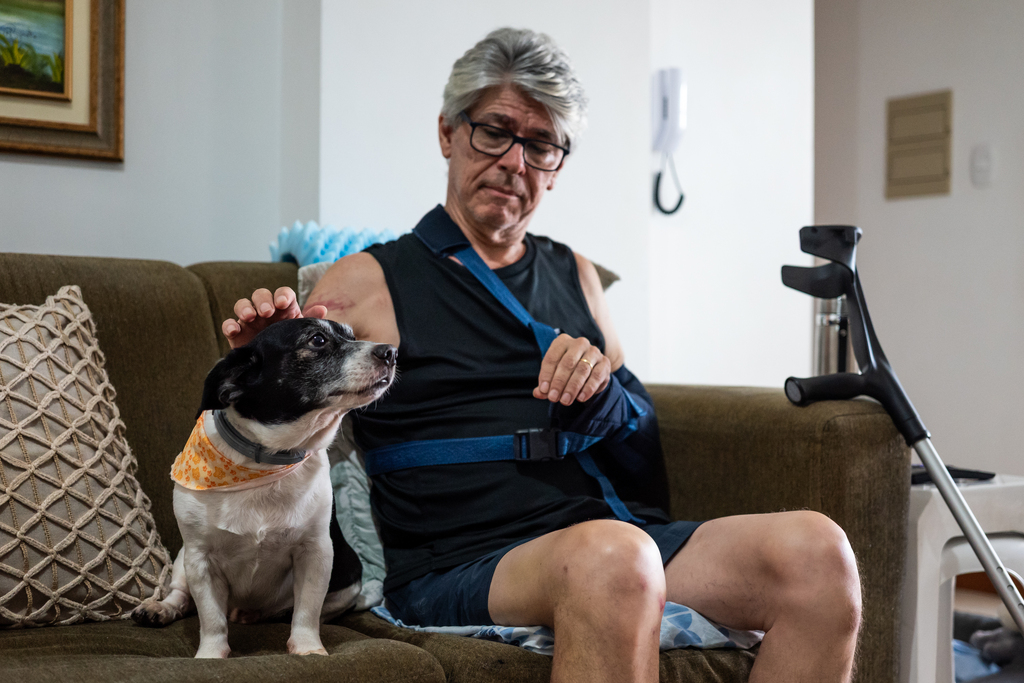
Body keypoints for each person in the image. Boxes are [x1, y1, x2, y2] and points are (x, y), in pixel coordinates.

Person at [222, 28, 861, 683]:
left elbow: (640, 441)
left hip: (608, 534)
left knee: (819, 554)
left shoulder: (578, 274)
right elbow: (278, 432)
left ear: (557, 167)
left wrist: (604, 392)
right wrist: (261, 361)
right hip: (459, 558)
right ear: (448, 133)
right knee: (613, 557)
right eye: (494, 131)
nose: (514, 162)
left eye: (541, 144)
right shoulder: (365, 282)